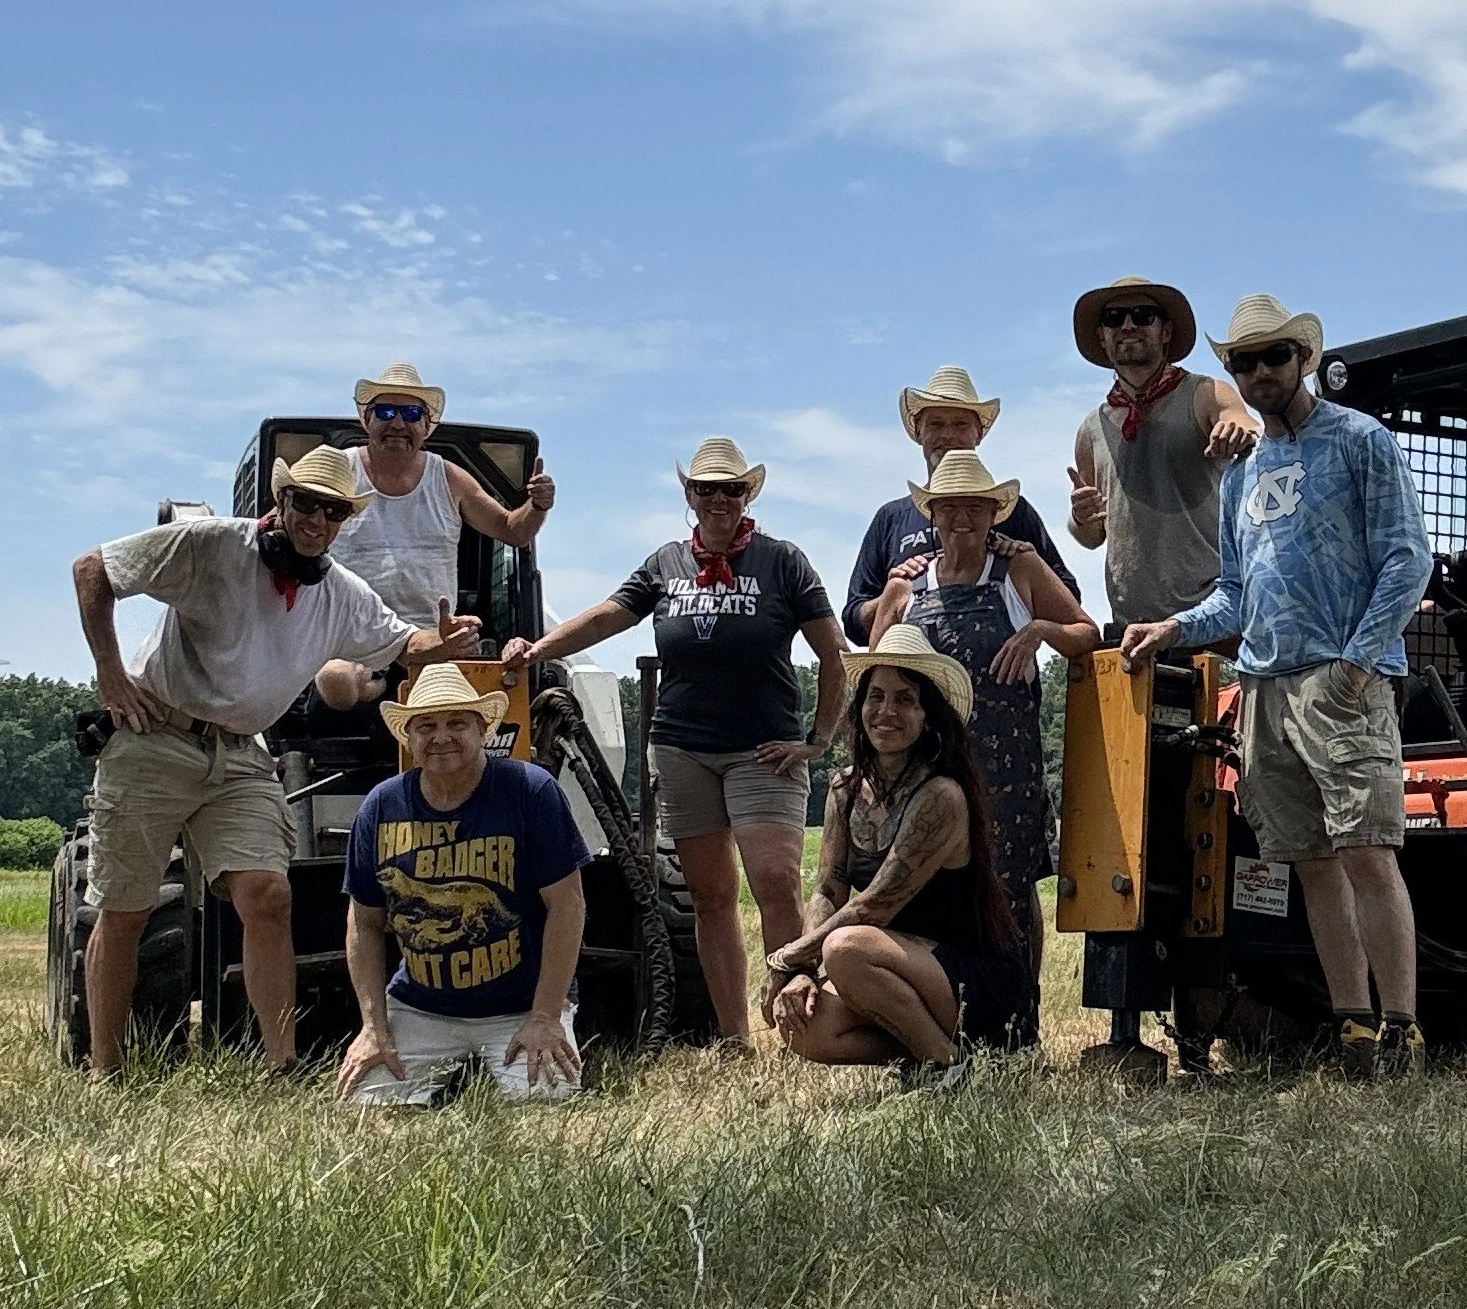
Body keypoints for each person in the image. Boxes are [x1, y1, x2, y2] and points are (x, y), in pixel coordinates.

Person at [72, 445, 481, 1079]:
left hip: (240, 753)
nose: (318, 521)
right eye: (307, 505)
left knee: (267, 894)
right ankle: (107, 1068)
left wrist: (442, 643)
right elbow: (93, 569)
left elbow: (405, 644)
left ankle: (280, 1066)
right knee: (126, 910)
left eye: (334, 512)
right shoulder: (210, 545)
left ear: (345, 520)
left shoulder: (340, 594)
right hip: (155, 736)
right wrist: (110, 674)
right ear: (281, 499)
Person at [1119, 294, 1433, 1082]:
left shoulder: (1361, 440)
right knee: (1312, 863)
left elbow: (1407, 559)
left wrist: (1357, 665)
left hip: (1340, 680)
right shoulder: (1242, 473)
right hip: (1262, 686)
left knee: (1367, 853)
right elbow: (1234, 593)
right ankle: (1353, 1026)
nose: (1259, 371)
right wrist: (1172, 628)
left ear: (1304, 360)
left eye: (1273, 356)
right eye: (1243, 361)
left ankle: (1402, 1029)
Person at [500, 437, 846, 1049]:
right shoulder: (666, 562)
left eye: (730, 489)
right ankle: (735, 1036)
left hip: (764, 748)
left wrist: (818, 740)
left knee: (775, 883)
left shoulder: (783, 561)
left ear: (747, 495)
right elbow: (607, 616)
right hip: (682, 747)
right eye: (706, 489)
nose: (719, 500)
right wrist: (539, 649)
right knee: (711, 897)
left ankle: (797, 1033)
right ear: (689, 494)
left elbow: (834, 655)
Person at [764, 625, 1036, 1069]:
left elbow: (874, 907)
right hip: (887, 967)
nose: (886, 711)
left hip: (968, 977)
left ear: (928, 715)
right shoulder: (843, 789)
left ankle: (946, 1065)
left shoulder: (941, 795)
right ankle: (932, 1053)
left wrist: (787, 958)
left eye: (905, 699)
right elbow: (828, 890)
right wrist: (802, 974)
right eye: (876, 696)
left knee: (845, 949)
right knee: (803, 1025)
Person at [871, 448, 1096, 959]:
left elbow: (1085, 634)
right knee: (922, 896)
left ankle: (1016, 1004)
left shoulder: (1021, 569)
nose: (962, 518)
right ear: (932, 514)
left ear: (995, 513)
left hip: (1007, 775)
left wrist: (1040, 630)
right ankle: (937, 997)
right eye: (949, 507)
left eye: (975, 506)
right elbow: (872, 680)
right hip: (923, 773)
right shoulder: (903, 588)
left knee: (1008, 901)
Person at [337, 662, 589, 1104]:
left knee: (546, 1103)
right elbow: (364, 922)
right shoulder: (381, 805)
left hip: (521, 1004)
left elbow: (568, 906)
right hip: (421, 1006)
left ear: (483, 730)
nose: (441, 737)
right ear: (408, 737)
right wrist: (373, 1028)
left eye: (456, 723)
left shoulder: (531, 790)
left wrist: (546, 1015)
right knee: (367, 1108)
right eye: (426, 726)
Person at [314, 360, 557, 703]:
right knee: (335, 682)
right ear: (366, 420)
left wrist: (537, 505)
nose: (398, 423)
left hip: (433, 641)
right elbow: (285, 526)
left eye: (412, 413)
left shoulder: (449, 478)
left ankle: (391, 684)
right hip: (353, 639)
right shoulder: (338, 470)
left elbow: (512, 531)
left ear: (427, 426)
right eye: (385, 411)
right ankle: (376, 684)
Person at [1066, 276, 1259, 629]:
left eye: (1142, 315)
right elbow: (1092, 537)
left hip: (1213, 617)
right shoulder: (1090, 430)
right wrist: (1080, 518)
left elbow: (1243, 422)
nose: (1127, 325)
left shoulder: (1204, 393)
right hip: (1134, 627)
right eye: (1113, 318)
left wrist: (1235, 429)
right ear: (1102, 337)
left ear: (1165, 331)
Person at [843, 364, 1080, 642]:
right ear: (919, 431)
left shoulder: (1015, 512)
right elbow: (854, 624)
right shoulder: (891, 518)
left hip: (1002, 669)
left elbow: (1070, 600)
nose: (947, 435)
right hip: (915, 670)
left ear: (978, 432)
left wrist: (1027, 565)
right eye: (936, 424)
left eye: (960, 424)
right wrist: (895, 595)